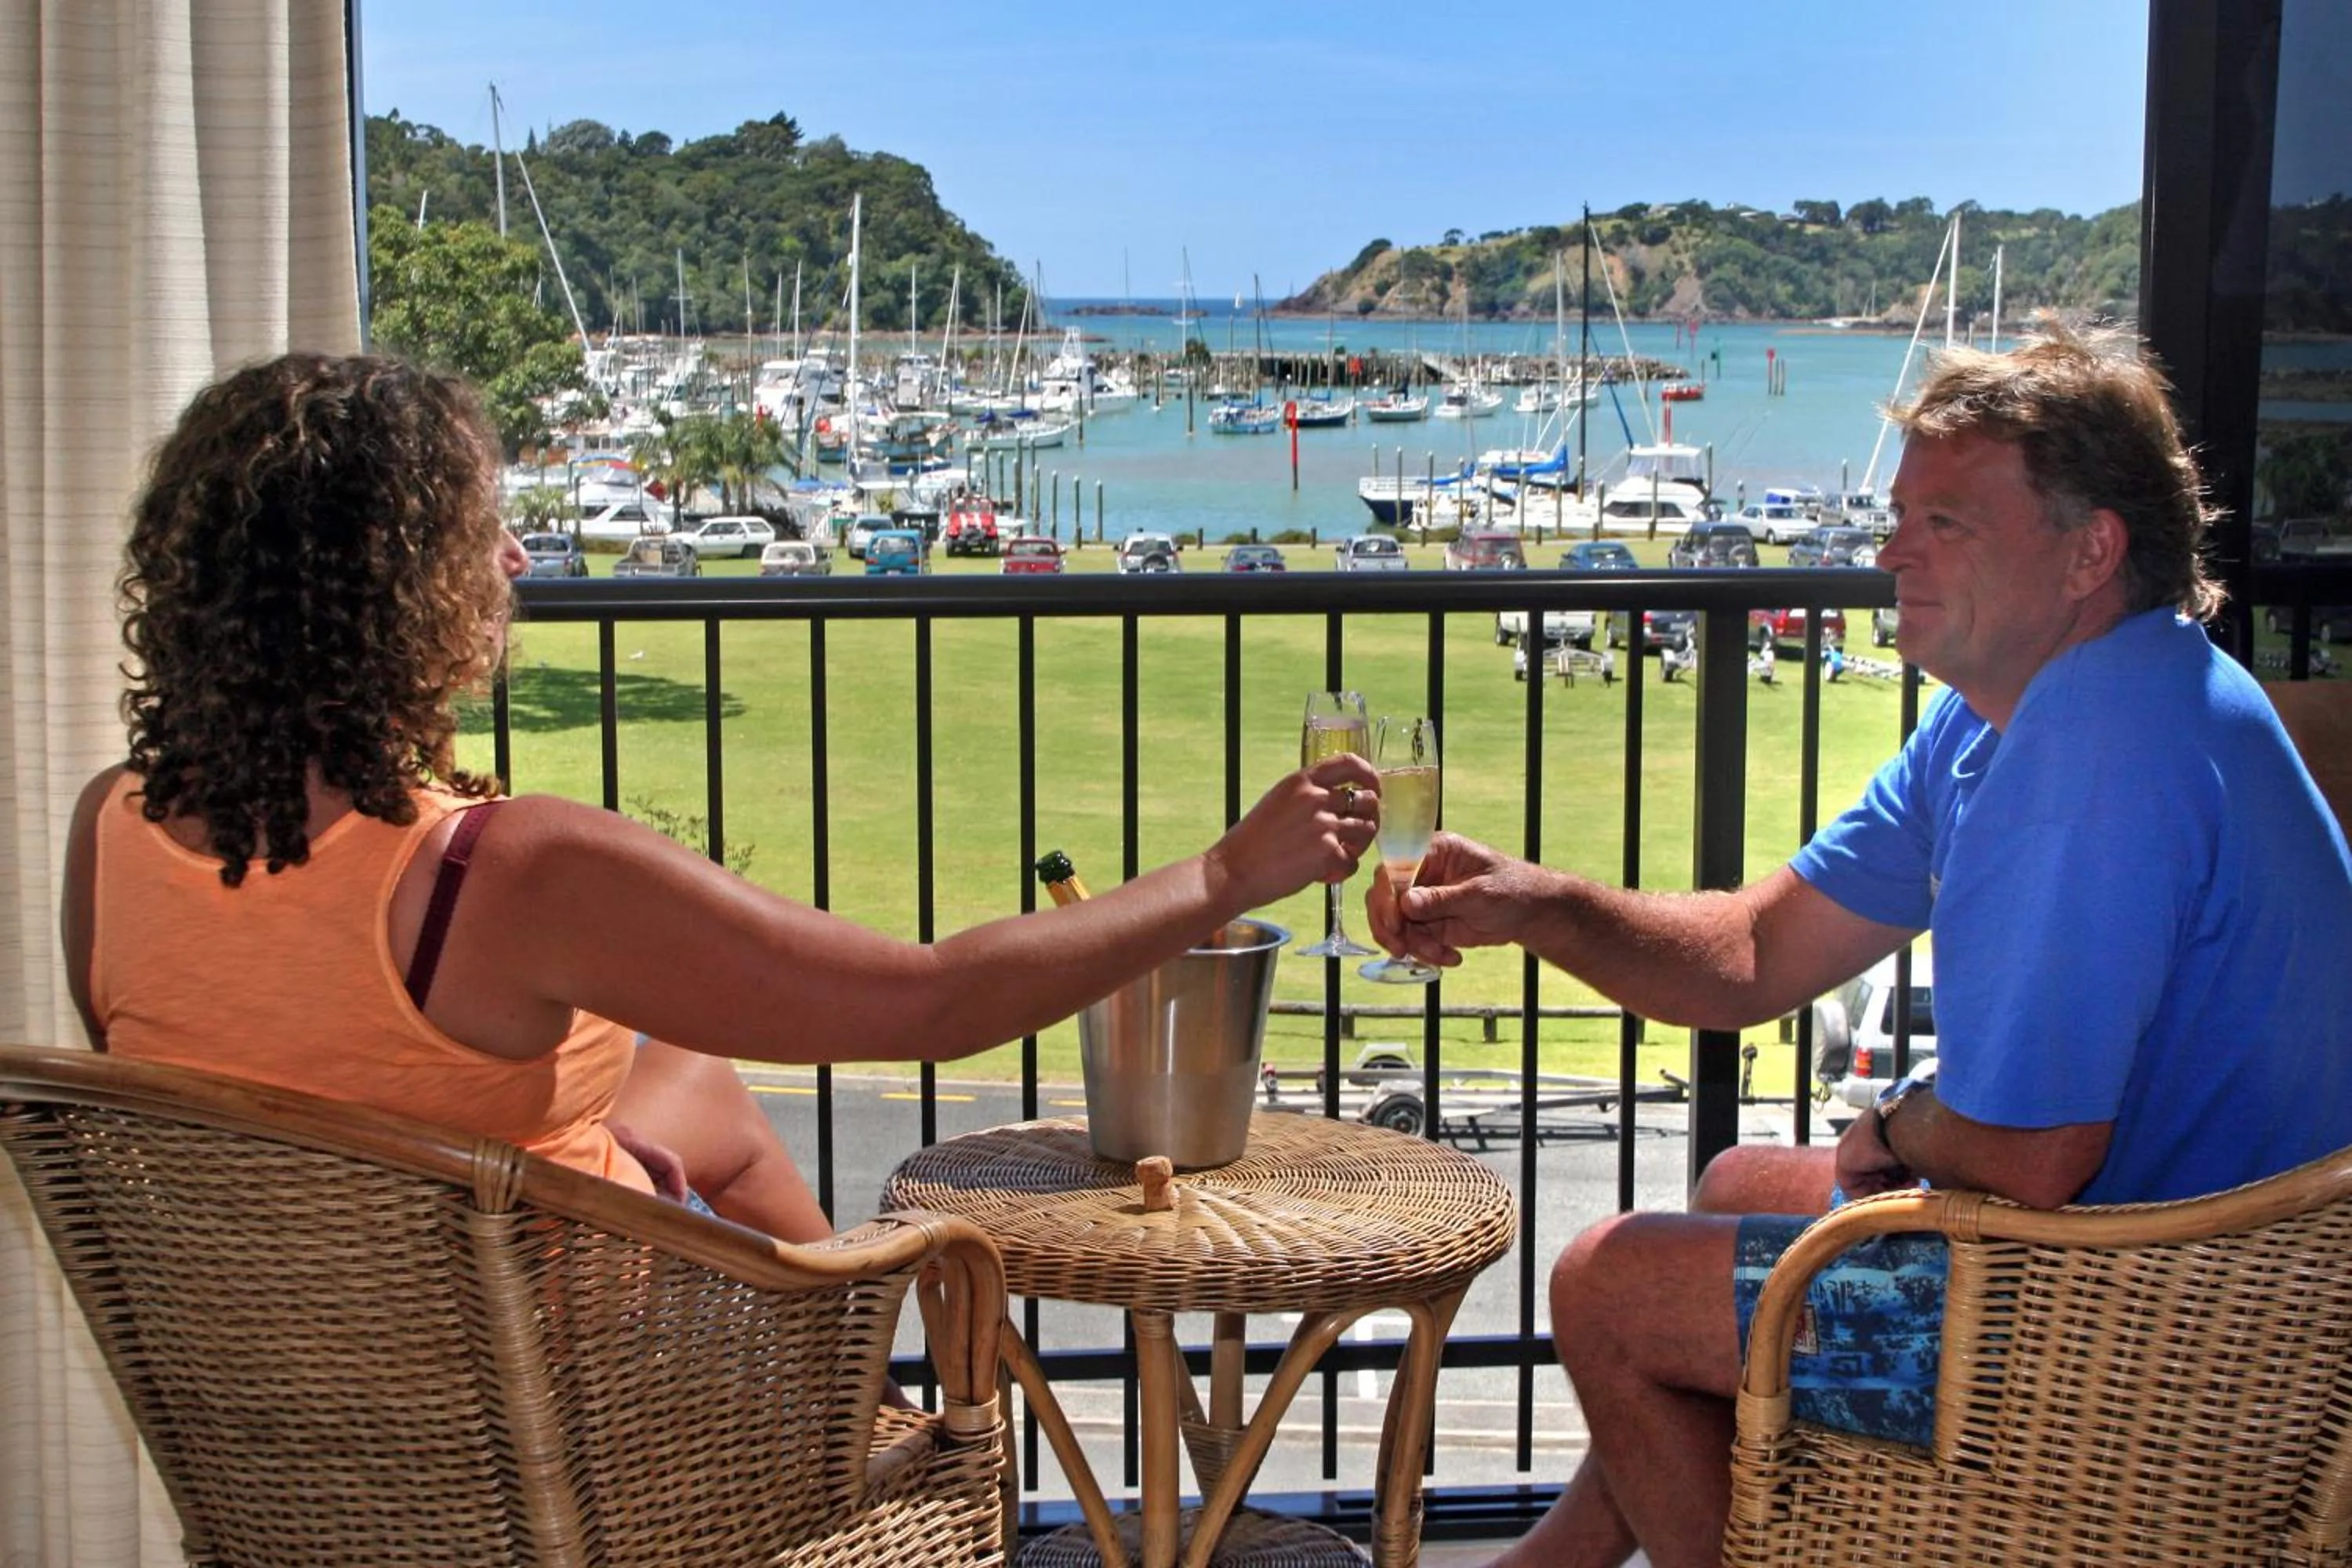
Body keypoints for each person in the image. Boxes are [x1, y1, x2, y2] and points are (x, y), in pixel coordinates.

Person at [1366, 328, 2352, 1568]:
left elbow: (2035, 1154)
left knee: (1607, 1287)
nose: (1889, 554)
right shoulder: (2025, 717)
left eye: (1945, 523)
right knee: (1737, 1184)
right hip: (2166, 1278)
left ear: (2090, 550)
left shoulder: (2093, 751)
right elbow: (1755, 950)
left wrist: (1896, 1128)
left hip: (2147, 1355)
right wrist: (1542, 906)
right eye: (1897, 518)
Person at [59, 351, 1381, 1247]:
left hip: (306, 1426)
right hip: (583, 1424)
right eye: (478, 529)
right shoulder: (504, 874)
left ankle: (859, 1391)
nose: (513, 558)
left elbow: (305, 1103)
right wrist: (1224, 877)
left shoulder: (110, 829)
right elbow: (927, 1002)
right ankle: (861, 1425)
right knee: (758, 1159)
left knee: (691, 1077)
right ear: (392, 588)